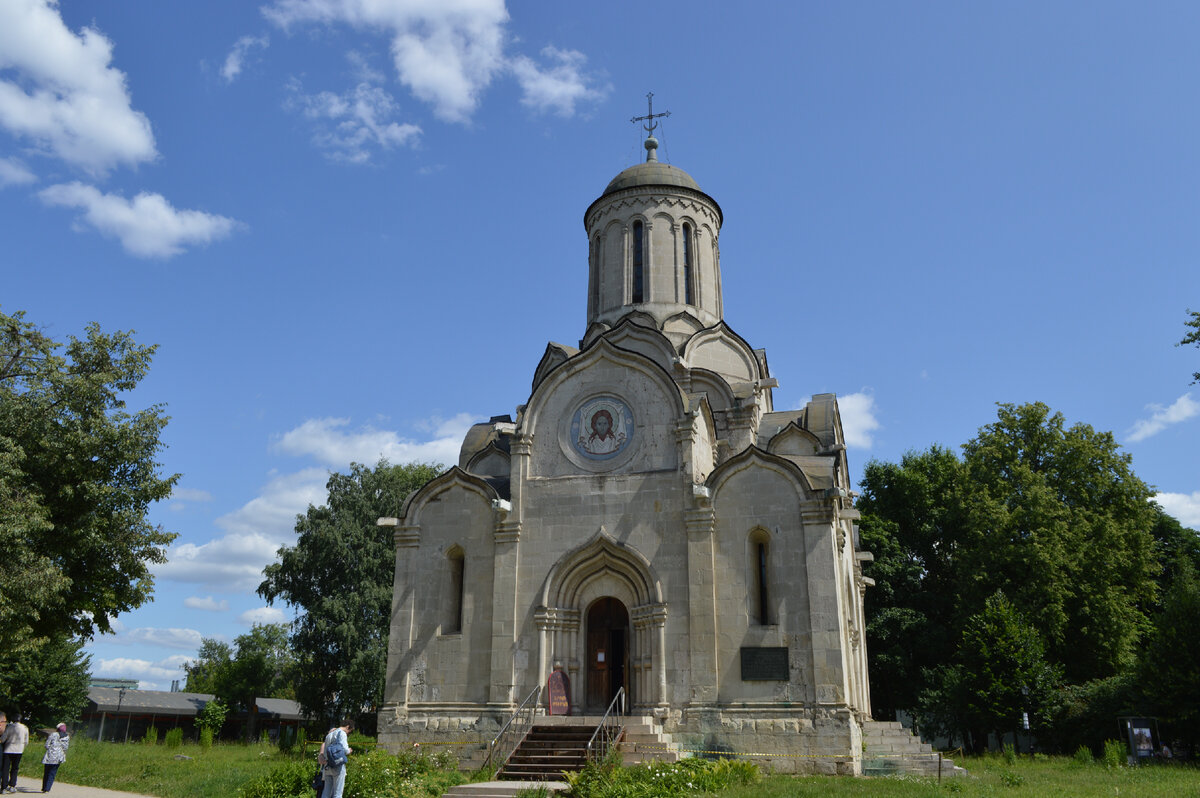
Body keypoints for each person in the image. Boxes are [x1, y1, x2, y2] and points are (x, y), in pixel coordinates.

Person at [317, 719, 354, 798]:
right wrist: (349, 751)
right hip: (338, 766)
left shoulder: (330, 734)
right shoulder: (342, 733)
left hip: (327, 765)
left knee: (326, 792)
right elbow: (345, 750)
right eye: (349, 731)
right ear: (348, 727)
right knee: (337, 793)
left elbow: (326, 749)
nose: (348, 733)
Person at [0, 713, 28, 794]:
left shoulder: (10, 727)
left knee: (6, 768)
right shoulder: (25, 728)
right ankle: (12, 785)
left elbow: (4, 737)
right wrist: (22, 747)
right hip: (19, 750)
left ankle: (4, 787)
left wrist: (2, 741)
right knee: (15, 768)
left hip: (8, 749)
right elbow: (26, 741)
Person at [41, 723, 70, 793]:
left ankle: (44, 787)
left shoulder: (54, 734)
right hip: (59, 757)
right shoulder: (67, 737)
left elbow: (47, 745)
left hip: (50, 756)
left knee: (46, 772)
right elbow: (65, 748)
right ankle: (48, 788)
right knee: (52, 773)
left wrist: (51, 748)